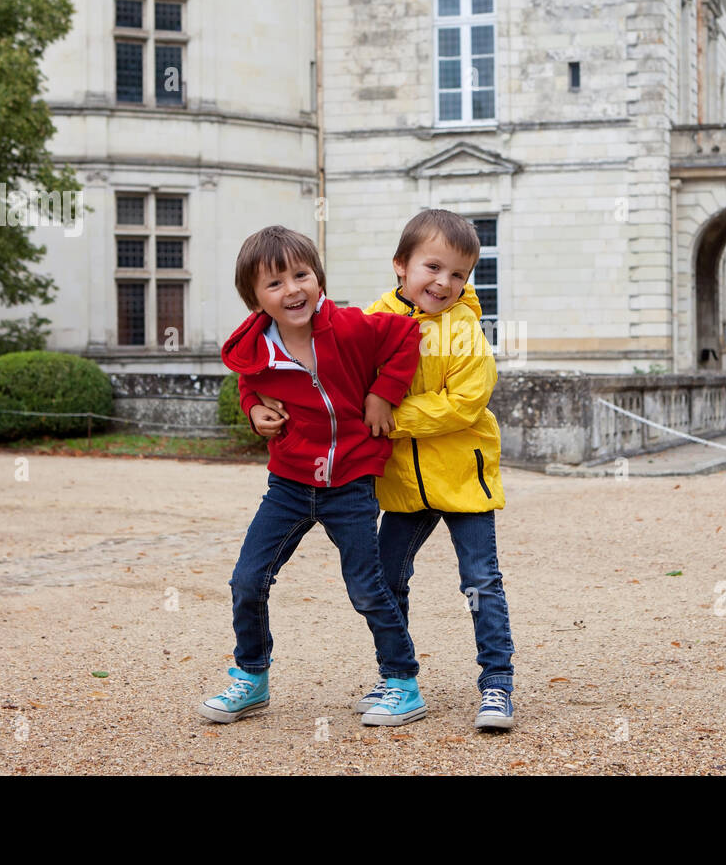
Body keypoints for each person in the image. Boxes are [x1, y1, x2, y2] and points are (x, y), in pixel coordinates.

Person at [250, 210, 516, 731]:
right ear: (401, 265)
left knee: (480, 581)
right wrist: (264, 404)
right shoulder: (372, 317)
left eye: (459, 274)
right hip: (401, 486)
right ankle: (397, 679)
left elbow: (465, 403)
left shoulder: (465, 331)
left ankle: (497, 685)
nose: (444, 282)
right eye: (433, 267)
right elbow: (329, 367)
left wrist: (389, 416)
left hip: (463, 480)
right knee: (387, 579)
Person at [197, 225, 428, 727]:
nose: (293, 290)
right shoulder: (257, 348)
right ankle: (251, 677)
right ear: (255, 299)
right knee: (248, 579)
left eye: (301, 275)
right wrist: (255, 409)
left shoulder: (349, 326)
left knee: (367, 585)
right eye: (275, 284)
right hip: (290, 483)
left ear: (318, 278)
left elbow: (407, 335)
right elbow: (250, 385)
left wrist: (382, 394)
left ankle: (402, 682)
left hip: (350, 481)